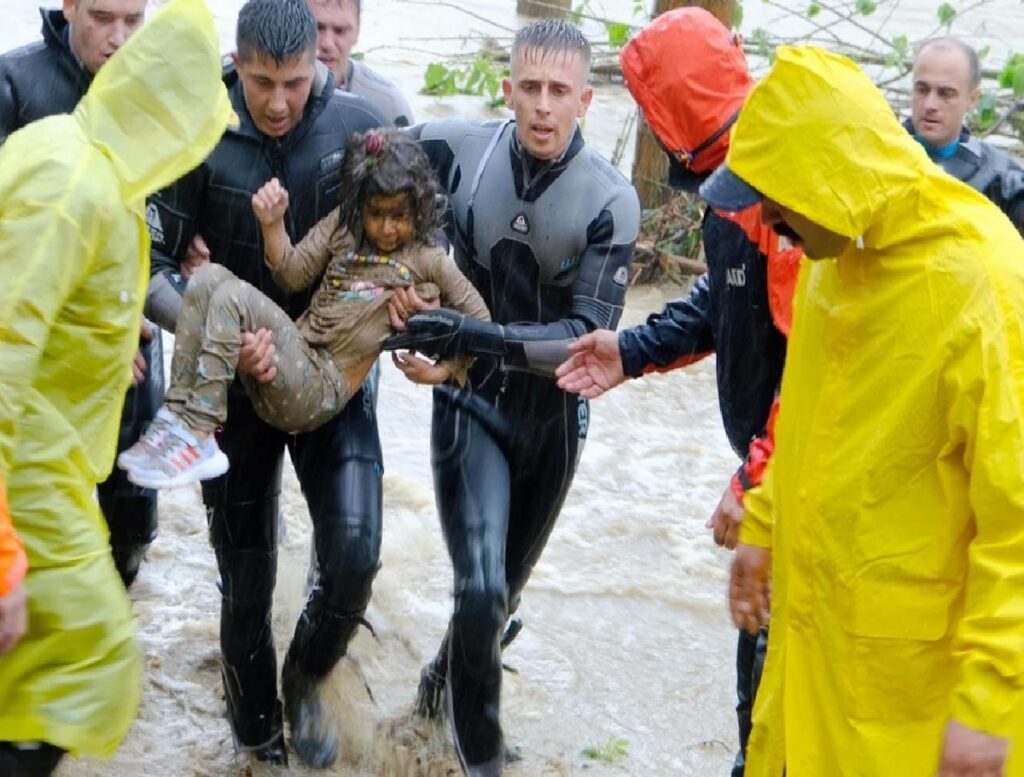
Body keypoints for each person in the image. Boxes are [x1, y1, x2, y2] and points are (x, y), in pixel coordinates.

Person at [710, 45, 1024, 776]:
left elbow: (1017, 519)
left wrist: (989, 701)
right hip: (814, 656)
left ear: (829, 175)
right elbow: (810, 414)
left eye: (777, 196)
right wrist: (764, 524)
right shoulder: (833, 254)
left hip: (915, 704)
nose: (769, 217)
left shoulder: (984, 285)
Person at [384, 19, 640, 776]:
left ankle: (436, 694)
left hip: (556, 422)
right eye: (529, 86)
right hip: (469, 404)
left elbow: (585, 337)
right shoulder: (464, 146)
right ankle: (483, 758)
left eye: (559, 91)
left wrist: (468, 333)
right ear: (507, 89)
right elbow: (367, 156)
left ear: (587, 100)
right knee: (480, 583)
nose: (542, 105)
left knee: (493, 603)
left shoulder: (611, 201)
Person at [553, 9, 801, 777]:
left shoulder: (781, 189)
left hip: (803, 483)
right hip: (777, 475)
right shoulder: (736, 179)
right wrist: (629, 350)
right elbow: (725, 307)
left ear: (672, 116)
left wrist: (753, 482)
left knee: (774, 698)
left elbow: (819, 365)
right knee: (761, 690)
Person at [144, 0, 387, 766]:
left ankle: (307, 676)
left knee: (353, 555)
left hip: (328, 380)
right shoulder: (198, 131)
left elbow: (407, 241)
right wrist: (212, 333)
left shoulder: (357, 127)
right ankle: (258, 743)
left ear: (319, 60)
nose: (277, 102)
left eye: (291, 81)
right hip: (236, 396)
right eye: (259, 83)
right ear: (235, 65)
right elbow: (149, 272)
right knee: (245, 583)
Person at [0, 0, 233, 771]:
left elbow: (62, 304)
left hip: (56, 464)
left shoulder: (90, 158)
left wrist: (106, 340)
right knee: (87, 667)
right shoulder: (76, 186)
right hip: (22, 476)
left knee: (46, 675)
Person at [124, 129, 488, 489]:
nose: (387, 228)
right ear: (360, 204)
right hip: (289, 362)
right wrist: (273, 223)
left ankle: (201, 429)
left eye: (400, 215)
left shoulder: (429, 259)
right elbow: (291, 274)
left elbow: (481, 320)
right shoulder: (345, 227)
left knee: (232, 294)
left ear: (420, 207)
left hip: (321, 388)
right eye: (376, 214)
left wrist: (443, 371)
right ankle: (176, 417)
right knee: (207, 278)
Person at [0, 0, 161, 588]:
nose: (119, 37)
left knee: (135, 525)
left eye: (134, 20)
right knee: (38, 523)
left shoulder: (153, 90)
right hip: (35, 353)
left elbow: (159, 218)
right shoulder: (14, 84)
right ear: (68, 6)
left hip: (132, 343)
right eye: (102, 16)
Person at [908, 37, 1024, 232]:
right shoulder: (876, 156)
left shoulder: (999, 179)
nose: (930, 105)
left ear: (972, 99)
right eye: (922, 89)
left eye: (945, 93)